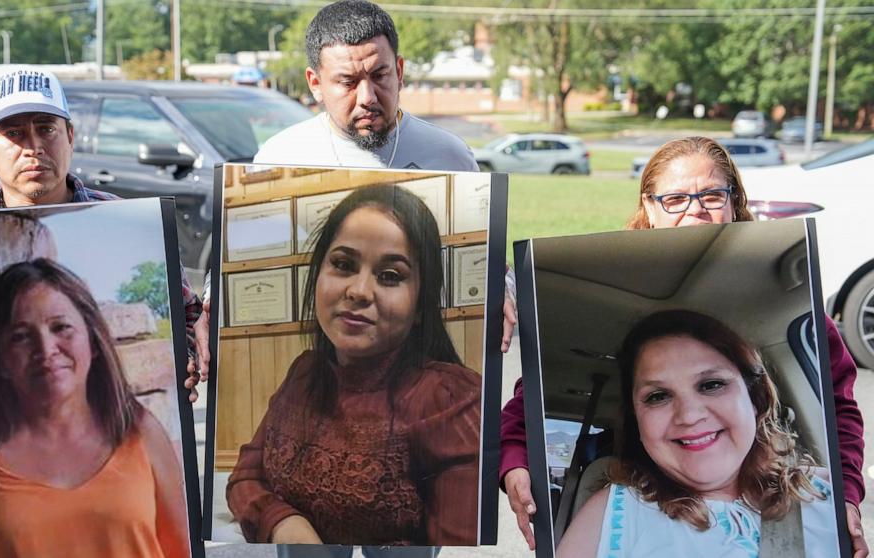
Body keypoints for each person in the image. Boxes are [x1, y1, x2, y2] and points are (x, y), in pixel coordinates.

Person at [500, 136, 867, 556]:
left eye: (712, 195)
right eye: (674, 199)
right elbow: (531, 399)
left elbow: (839, 409)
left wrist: (848, 495)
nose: (695, 210)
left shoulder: (814, 499)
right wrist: (514, 461)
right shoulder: (616, 511)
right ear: (649, 208)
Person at [225, 185, 481, 555]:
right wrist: (284, 523)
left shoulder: (450, 401)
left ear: (421, 305)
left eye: (391, 275)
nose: (359, 291)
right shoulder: (304, 373)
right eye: (343, 265)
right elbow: (245, 478)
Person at [0, 66, 210, 398]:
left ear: (69, 136)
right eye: (14, 133)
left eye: (46, 128)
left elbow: (186, 315)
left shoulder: (130, 224)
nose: (33, 147)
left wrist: (189, 355)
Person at [0, 258, 189, 558]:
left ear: (94, 341)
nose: (45, 350)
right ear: (0, 359)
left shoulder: (140, 430)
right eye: (21, 336)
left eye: (61, 327)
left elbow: (183, 549)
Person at [557, 309, 838, 557]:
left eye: (712, 384)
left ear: (755, 399)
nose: (689, 416)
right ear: (637, 422)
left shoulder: (829, 493)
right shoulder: (610, 513)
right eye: (657, 396)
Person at [252, 0, 478, 172]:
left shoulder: (450, 157)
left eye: (380, 75)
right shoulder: (278, 159)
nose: (367, 97)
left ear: (399, 72)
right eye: (348, 82)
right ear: (315, 84)